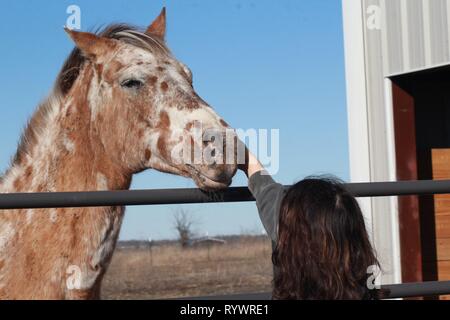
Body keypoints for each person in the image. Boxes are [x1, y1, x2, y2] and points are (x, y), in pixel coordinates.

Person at [239, 150, 383, 300]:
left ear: (294, 243)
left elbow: (268, 194)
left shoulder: (285, 231)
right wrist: (246, 158)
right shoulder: (362, 290)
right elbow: (267, 190)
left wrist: (242, 155)